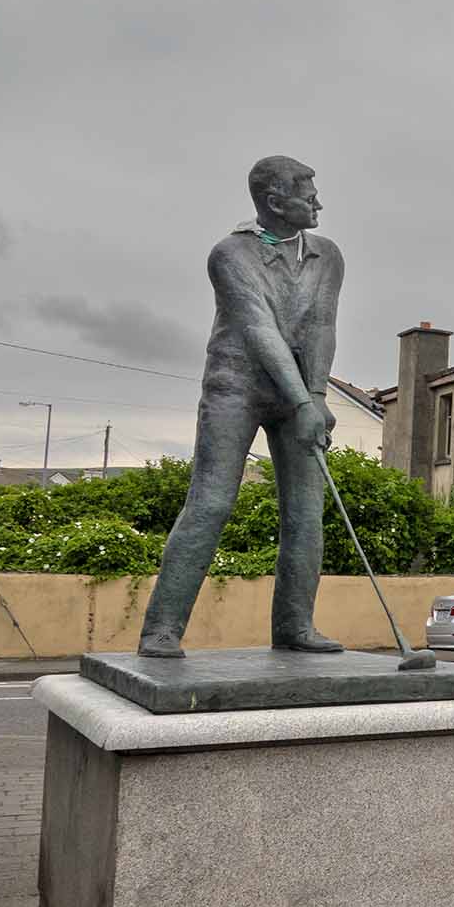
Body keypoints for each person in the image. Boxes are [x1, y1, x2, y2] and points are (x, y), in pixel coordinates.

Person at [137, 156, 344, 658]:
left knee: (306, 511)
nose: (318, 201)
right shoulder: (229, 255)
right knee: (210, 503)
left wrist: (314, 397)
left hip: (297, 392)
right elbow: (258, 329)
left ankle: (295, 625)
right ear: (274, 202)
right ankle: (161, 629)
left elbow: (320, 325)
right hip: (237, 387)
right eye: (307, 192)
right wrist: (303, 398)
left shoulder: (327, 255)